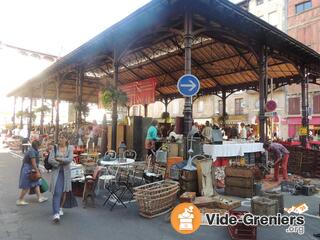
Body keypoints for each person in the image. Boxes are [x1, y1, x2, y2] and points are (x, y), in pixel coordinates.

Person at [48, 136, 74, 223]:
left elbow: (70, 159)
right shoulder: (54, 148)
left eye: (62, 138)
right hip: (57, 172)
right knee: (57, 192)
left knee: (64, 192)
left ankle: (60, 207)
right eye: (59, 138)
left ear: (66, 139)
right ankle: (56, 214)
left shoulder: (70, 148)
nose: (60, 140)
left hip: (66, 173)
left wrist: (59, 159)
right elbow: (50, 160)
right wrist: (59, 163)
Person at [17, 140, 48, 206]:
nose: (40, 147)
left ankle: (40, 197)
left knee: (36, 183)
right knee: (26, 185)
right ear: (37, 146)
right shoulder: (32, 151)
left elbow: (34, 163)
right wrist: (37, 171)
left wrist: (37, 169)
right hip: (28, 169)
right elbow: (33, 163)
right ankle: (20, 199)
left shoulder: (32, 150)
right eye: (39, 146)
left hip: (29, 168)